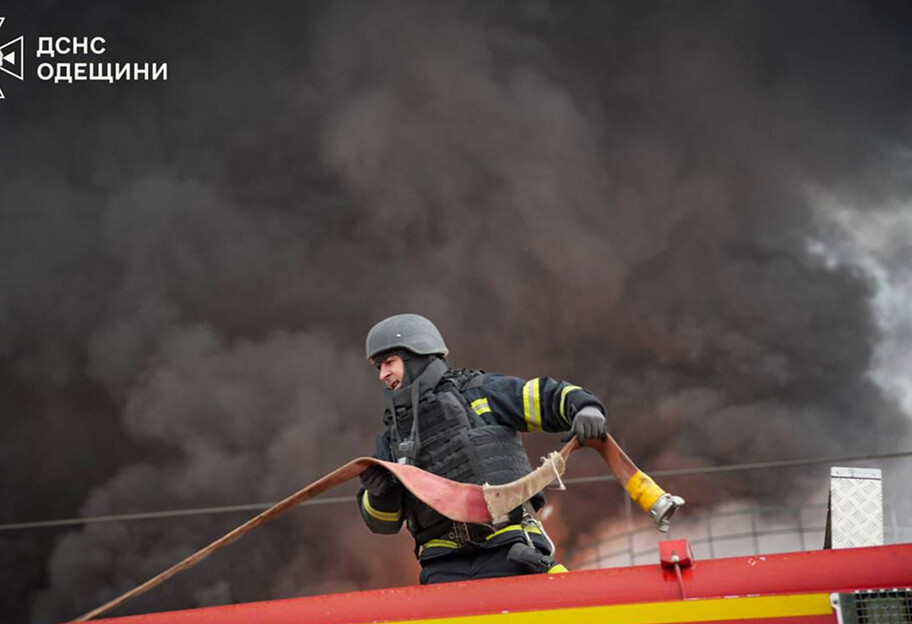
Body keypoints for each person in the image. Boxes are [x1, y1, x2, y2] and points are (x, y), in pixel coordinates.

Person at [356, 313, 609, 584]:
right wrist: (380, 494)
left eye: (389, 362)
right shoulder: (393, 437)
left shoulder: (478, 393)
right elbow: (382, 523)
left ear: (416, 356)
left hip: (509, 548)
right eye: (379, 367)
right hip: (442, 565)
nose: (383, 375)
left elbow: (543, 396)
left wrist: (584, 407)